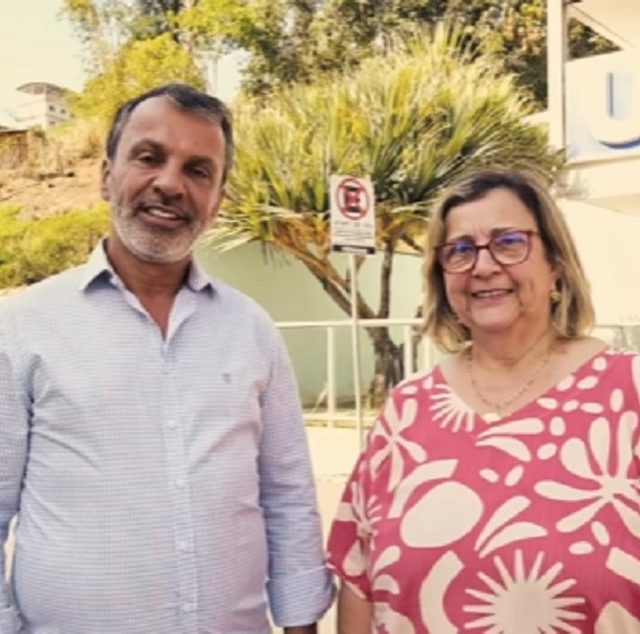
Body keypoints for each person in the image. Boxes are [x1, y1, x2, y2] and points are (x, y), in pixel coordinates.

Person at [0, 83, 333, 634]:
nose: (170, 184)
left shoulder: (251, 330)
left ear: (218, 200)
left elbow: (288, 496)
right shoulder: (23, 328)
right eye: (148, 157)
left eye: (198, 171)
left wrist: (301, 622)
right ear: (106, 176)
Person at [327, 169, 640, 633]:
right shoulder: (408, 409)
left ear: (556, 264)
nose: (483, 265)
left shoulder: (628, 390)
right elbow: (359, 577)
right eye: (460, 250)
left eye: (509, 242)